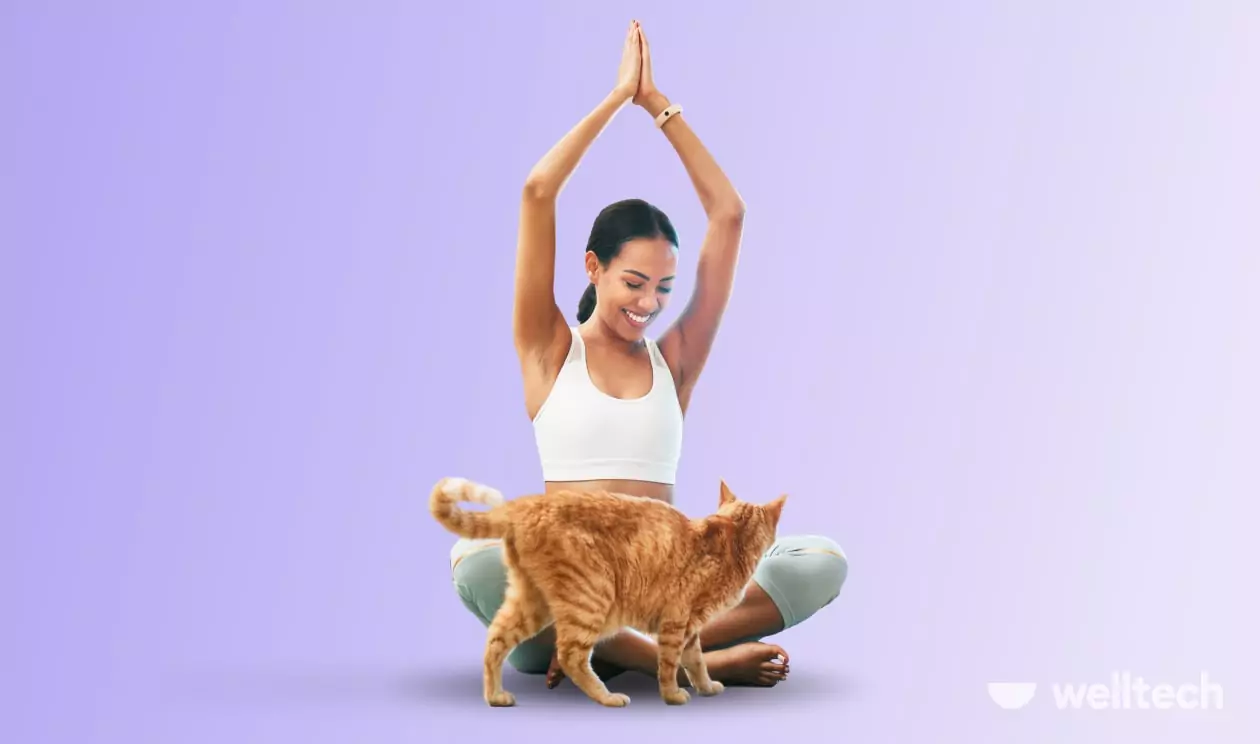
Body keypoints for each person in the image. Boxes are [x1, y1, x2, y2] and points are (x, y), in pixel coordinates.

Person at [447, 20, 848, 690]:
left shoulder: (675, 363)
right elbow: (537, 193)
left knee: (819, 562)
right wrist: (613, 101)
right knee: (481, 564)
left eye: (662, 288)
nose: (649, 303)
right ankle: (692, 659)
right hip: (564, 588)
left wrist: (657, 104)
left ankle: (621, 649)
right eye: (634, 283)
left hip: (660, 589)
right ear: (593, 268)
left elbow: (729, 215)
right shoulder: (549, 352)